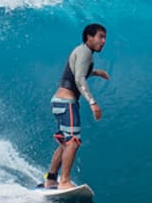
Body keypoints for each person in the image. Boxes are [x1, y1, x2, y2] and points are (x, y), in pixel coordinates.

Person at [43, 23, 109, 190]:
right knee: (73, 141)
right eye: (100, 37)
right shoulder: (85, 52)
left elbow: (77, 70)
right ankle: (64, 181)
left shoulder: (81, 51)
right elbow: (79, 79)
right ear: (89, 37)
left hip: (58, 101)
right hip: (67, 103)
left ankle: (51, 179)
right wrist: (93, 103)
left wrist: (96, 72)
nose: (104, 41)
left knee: (65, 143)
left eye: (104, 37)